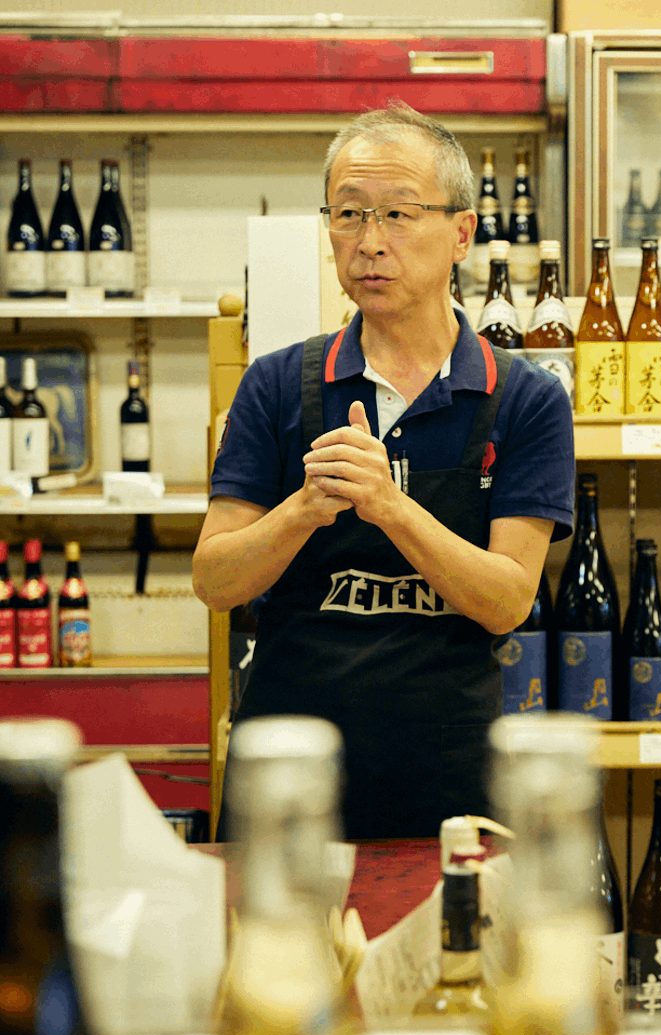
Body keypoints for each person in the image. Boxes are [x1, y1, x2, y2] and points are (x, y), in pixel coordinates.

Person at [192, 104, 575, 839]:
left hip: (448, 779)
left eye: (398, 214)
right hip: (286, 779)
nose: (369, 242)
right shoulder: (277, 385)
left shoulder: (524, 399)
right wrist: (305, 506)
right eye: (348, 215)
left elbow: (506, 601)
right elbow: (215, 580)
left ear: (461, 233)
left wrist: (390, 505)